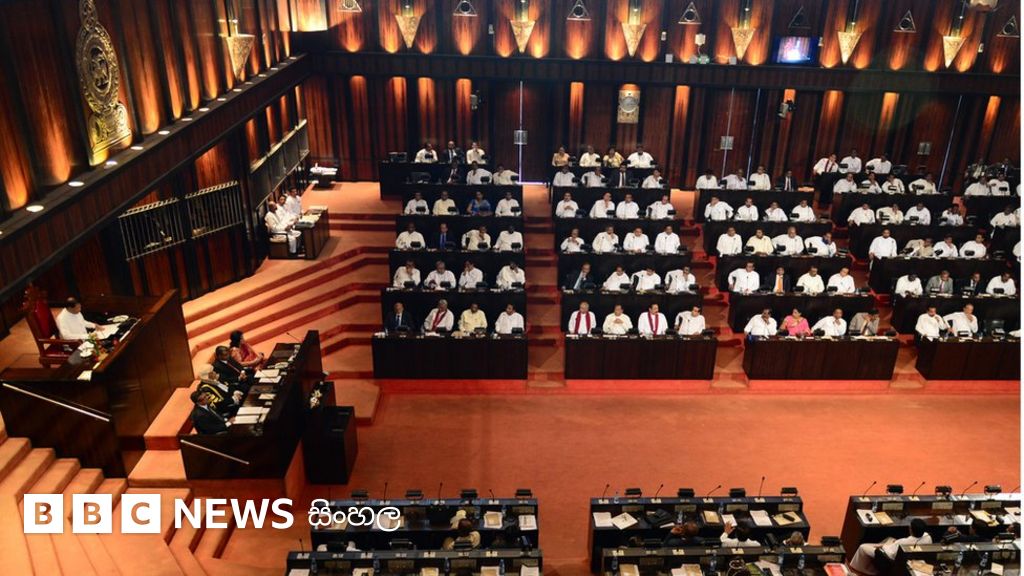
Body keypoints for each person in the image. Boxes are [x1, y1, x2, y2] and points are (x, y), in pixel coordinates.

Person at [850, 518, 932, 576]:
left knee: (863, 547)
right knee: (889, 539)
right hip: (911, 558)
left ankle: (858, 569)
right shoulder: (928, 537)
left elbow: (888, 553)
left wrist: (882, 546)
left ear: (911, 529)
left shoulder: (903, 542)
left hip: (890, 559)